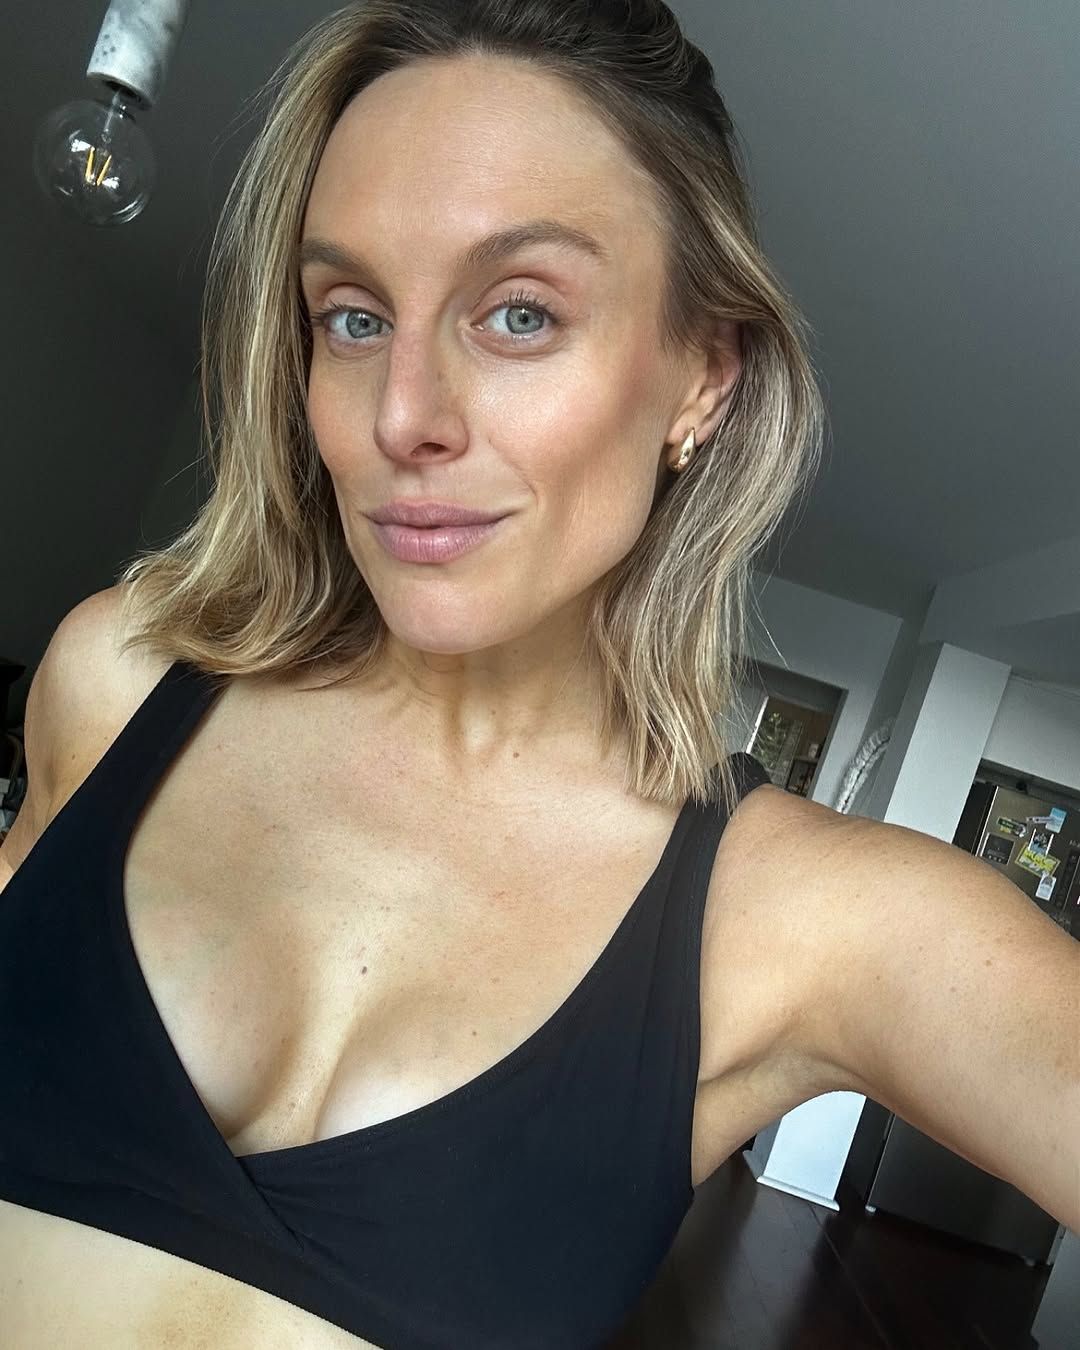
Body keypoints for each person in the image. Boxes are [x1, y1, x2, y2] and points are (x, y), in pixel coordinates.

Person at [1, 2, 1076, 1347]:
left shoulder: (801, 924)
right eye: (352, 317)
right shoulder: (113, 685)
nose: (402, 416)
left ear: (703, 377)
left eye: (519, 313)